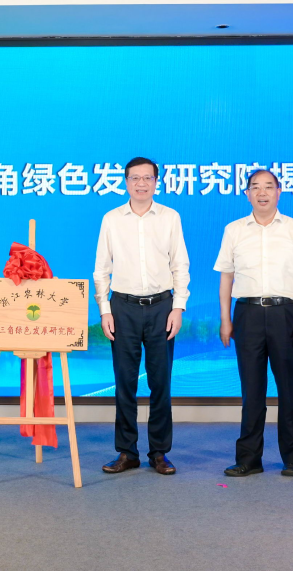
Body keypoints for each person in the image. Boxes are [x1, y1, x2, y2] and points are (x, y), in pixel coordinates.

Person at [216, 169, 293, 478]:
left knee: (290, 387)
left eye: (268, 187)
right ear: (247, 194)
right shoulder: (234, 230)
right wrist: (225, 319)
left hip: (285, 313)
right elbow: (226, 278)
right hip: (246, 314)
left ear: (279, 192)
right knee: (251, 390)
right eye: (255, 187)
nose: (262, 192)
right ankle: (249, 459)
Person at [94, 157, 190, 476]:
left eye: (147, 178)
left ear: (156, 182)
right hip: (123, 307)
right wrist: (105, 310)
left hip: (162, 306)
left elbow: (180, 265)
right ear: (125, 182)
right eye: (135, 178)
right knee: (125, 382)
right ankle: (127, 452)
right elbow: (101, 269)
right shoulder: (111, 219)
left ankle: (159, 452)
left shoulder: (170, 217)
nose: (141, 184)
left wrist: (178, 307)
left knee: (160, 382)